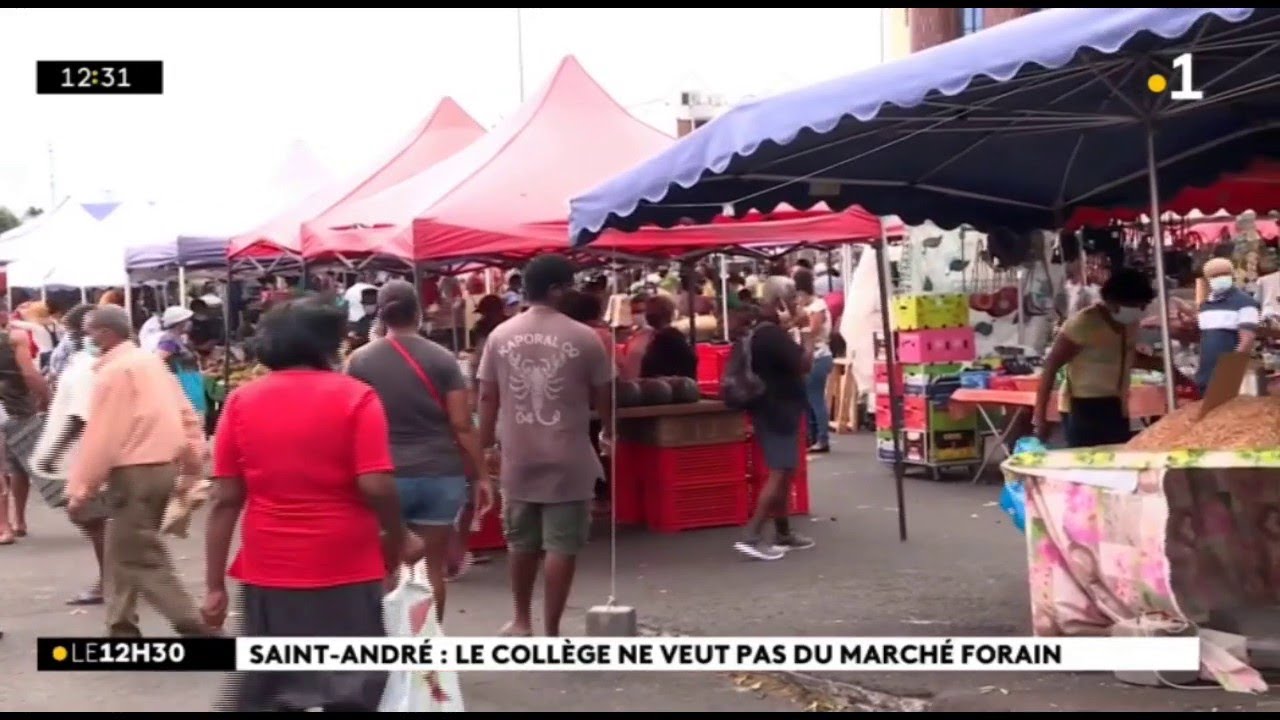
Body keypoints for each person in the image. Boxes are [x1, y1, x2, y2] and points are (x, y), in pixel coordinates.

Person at [204, 298, 406, 712]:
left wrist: (213, 585)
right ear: (328, 344)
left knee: (270, 685)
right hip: (347, 564)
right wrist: (398, 536)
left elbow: (225, 500)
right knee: (352, 685)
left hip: (269, 568)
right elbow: (376, 484)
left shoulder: (242, 402)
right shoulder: (358, 397)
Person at [477, 255, 613, 637]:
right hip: (568, 456)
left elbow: (487, 398)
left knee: (521, 542)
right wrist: (609, 431)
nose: (573, 292)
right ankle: (551, 631)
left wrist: (484, 445)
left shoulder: (500, 336)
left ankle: (521, 620)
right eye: (569, 285)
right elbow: (605, 394)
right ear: (555, 289)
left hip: (518, 456)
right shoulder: (584, 336)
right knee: (561, 546)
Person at [346, 281, 491, 623]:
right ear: (418, 311)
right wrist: (483, 474)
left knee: (384, 569)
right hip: (440, 474)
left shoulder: (359, 361)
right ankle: (426, 658)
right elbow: (461, 424)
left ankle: (385, 658)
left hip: (384, 476)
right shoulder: (442, 359)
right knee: (431, 570)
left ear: (380, 314)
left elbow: (348, 420)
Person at [64, 305, 208, 637]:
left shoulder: (114, 373)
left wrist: (80, 489)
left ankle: (192, 623)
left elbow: (103, 435)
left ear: (105, 333)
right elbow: (184, 412)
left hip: (134, 472)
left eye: (89, 331)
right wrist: (192, 461)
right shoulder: (150, 362)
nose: (86, 338)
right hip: (162, 467)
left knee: (140, 555)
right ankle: (121, 626)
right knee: (121, 548)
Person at [31, 304, 113, 605]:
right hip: (103, 451)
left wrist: (53, 453)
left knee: (90, 516)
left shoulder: (86, 367)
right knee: (99, 518)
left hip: (89, 453)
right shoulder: (98, 362)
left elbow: (80, 417)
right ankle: (118, 578)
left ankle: (110, 582)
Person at [1033, 269, 1164, 448]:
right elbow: (1051, 365)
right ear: (1112, 301)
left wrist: (1164, 367)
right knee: (1087, 463)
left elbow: (1127, 356)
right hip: (1082, 405)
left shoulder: (1129, 325)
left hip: (1117, 404)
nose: (1138, 311)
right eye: (1134, 305)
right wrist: (1039, 417)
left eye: (1142, 305)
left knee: (1117, 459)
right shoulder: (1084, 324)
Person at [733, 305, 817, 561]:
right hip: (781, 410)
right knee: (780, 471)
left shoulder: (757, 336)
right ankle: (752, 534)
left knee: (785, 470)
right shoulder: (773, 336)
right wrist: (809, 338)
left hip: (765, 408)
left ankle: (783, 532)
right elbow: (804, 364)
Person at [0, 301, 49, 545]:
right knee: (18, 463)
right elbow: (29, 373)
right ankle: (17, 520)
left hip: (9, 405)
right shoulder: (15, 338)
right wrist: (47, 397)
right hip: (17, 404)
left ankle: (5, 524)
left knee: (5, 466)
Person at [1197, 257, 1260, 394]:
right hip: (1207, 370)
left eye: (1223, 274)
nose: (1219, 278)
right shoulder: (1206, 305)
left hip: (1228, 371)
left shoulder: (1245, 302)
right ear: (1208, 279)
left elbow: (1247, 339)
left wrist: (1230, 371)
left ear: (1231, 276)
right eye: (1214, 276)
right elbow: (1205, 336)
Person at [794, 269, 834, 453]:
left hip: (818, 356)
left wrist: (800, 323)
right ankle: (813, 436)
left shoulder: (817, 306)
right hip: (813, 356)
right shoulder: (809, 305)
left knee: (815, 398)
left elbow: (814, 329)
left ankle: (822, 438)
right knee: (809, 399)